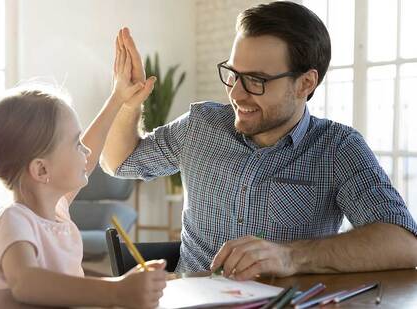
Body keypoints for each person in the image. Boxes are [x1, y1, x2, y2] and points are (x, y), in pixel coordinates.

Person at [101, 2, 417, 281]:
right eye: (233, 73)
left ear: (305, 83)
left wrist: (290, 256)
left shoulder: (337, 148)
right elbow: (119, 162)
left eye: (256, 80)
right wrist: (129, 104)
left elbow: (405, 244)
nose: (237, 93)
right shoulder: (200, 126)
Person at [0, 30, 166, 309]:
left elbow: (88, 158)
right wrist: (115, 291)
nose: (87, 151)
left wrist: (118, 98)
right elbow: (27, 283)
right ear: (42, 170)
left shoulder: (55, 211)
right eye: (75, 144)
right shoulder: (15, 220)